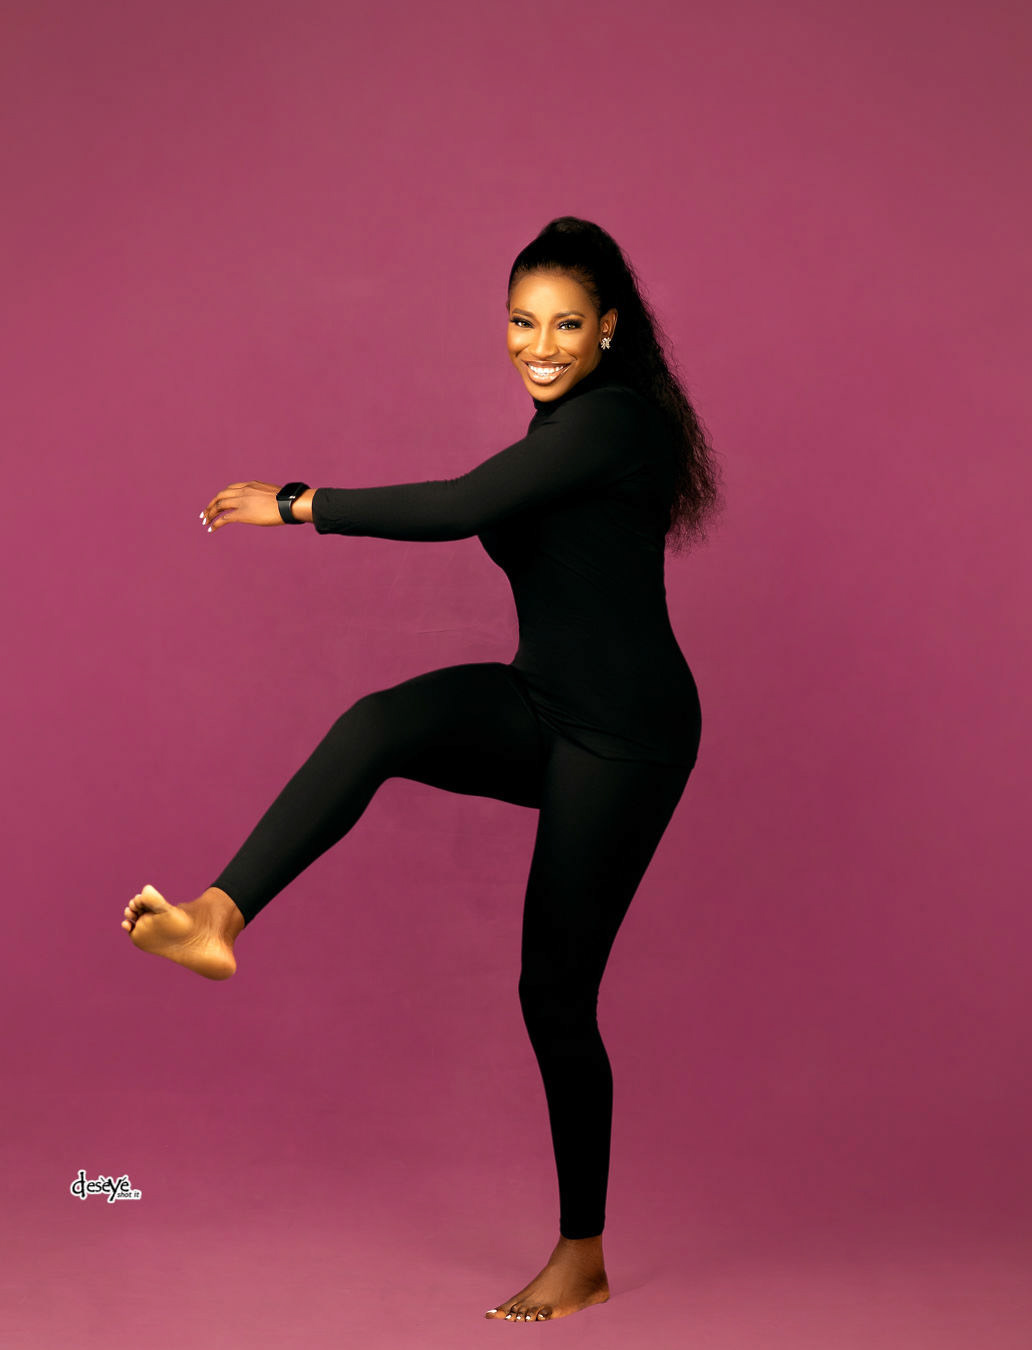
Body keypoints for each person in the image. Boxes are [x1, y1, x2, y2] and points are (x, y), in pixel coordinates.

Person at [119, 216, 722, 1323]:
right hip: (545, 703)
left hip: (626, 738)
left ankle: (582, 1257)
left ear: (609, 329)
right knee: (380, 724)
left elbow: (462, 507)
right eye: (521, 322)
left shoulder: (616, 420)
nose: (539, 345)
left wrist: (296, 502)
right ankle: (216, 915)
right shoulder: (561, 424)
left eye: (566, 325)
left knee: (553, 993)